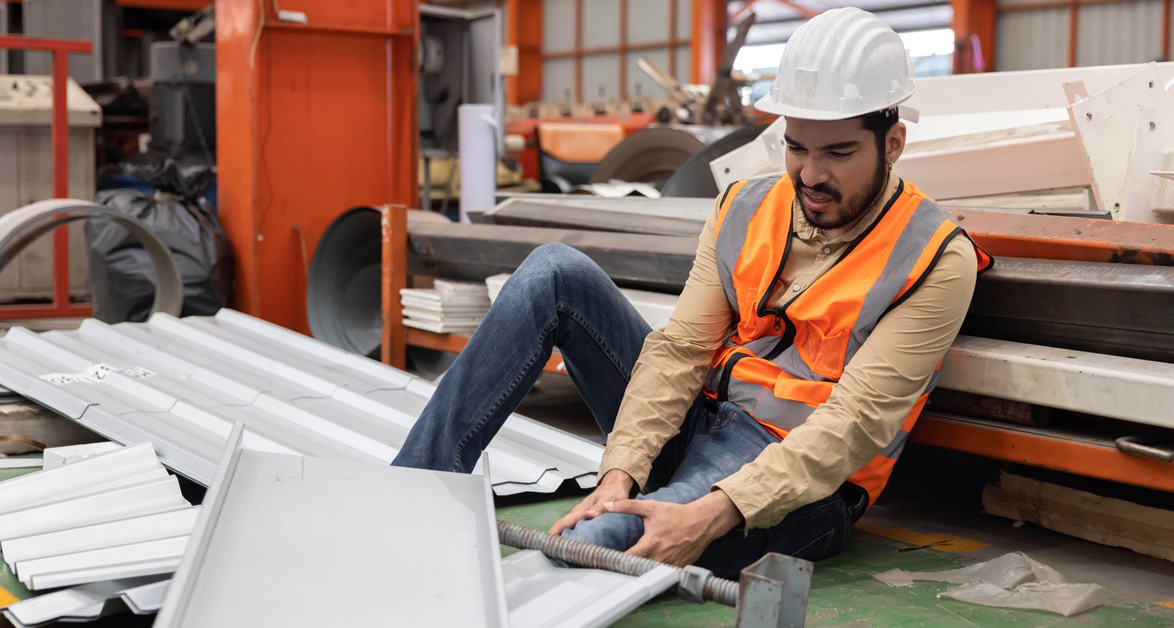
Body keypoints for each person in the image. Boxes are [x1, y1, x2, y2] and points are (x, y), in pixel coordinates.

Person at [393, 7, 992, 579]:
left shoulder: (935, 258)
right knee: (554, 273)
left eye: (838, 153)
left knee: (598, 543)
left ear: (892, 144)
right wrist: (620, 472)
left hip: (798, 482)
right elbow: (680, 350)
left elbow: (854, 424)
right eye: (796, 147)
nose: (810, 175)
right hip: (699, 423)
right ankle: (407, 492)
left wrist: (708, 513)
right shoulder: (745, 206)